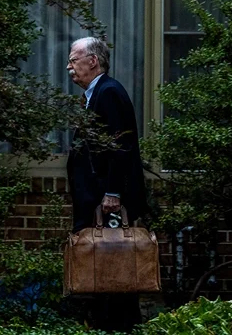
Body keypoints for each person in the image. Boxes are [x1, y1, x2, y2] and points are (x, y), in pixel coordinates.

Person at [65, 36, 146, 331]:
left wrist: (113, 192)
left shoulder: (109, 92)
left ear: (93, 61)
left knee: (113, 260)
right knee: (103, 260)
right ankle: (104, 320)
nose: (69, 67)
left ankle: (117, 324)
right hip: (96, 195)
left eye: (74, 60)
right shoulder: (95, 94)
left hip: (108, 198)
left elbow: (120, 147)